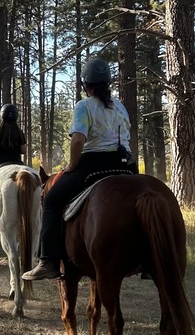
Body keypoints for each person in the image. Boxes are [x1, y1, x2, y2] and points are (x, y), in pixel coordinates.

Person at [23, 57, 136, 281]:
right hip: (125, 165)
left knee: (52, 201)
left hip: (92, 165)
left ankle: (49, 261)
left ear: (86, 85)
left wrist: (72, 165)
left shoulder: (84, 106)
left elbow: (77, 141)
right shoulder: (120, 105)